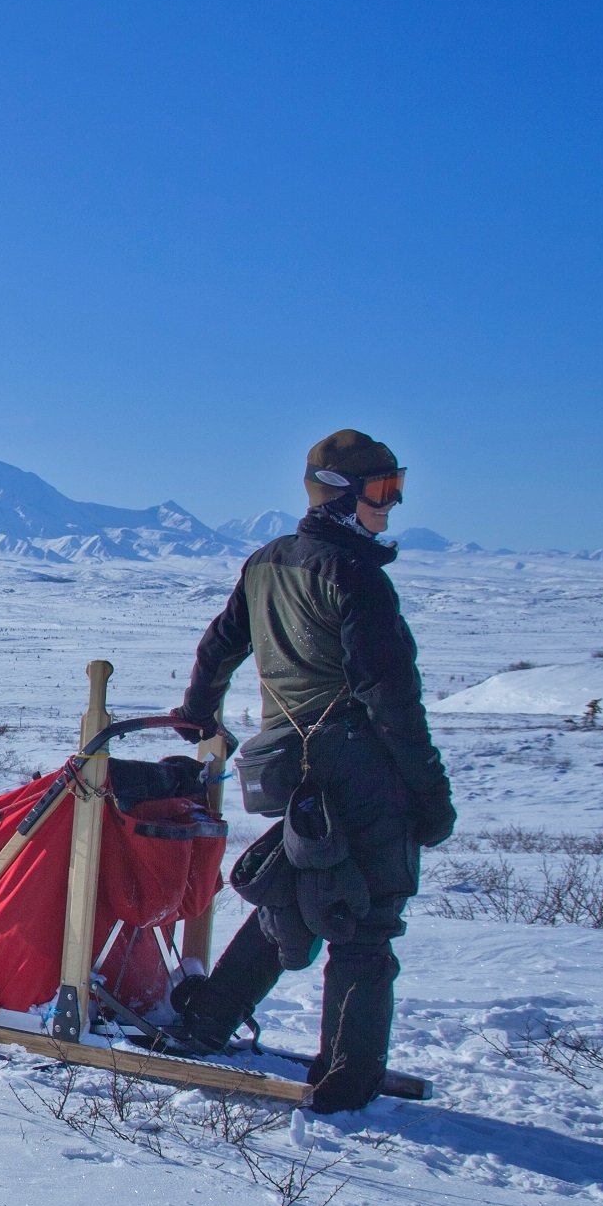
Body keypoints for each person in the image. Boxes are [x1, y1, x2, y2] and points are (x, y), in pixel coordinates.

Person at [166, 430, 455, 1112]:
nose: (394, 504)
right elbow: (395, 702)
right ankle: (348, 1080)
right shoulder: (355, 577)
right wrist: (429, 793)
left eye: (396, 487)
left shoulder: (268, 563)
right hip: (360, 767)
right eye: (384, 491)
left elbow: (219, 646)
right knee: (370, 917)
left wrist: (198, 714)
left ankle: (207, 1022)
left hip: (291, 771)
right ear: (344, 494)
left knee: (292, 893)